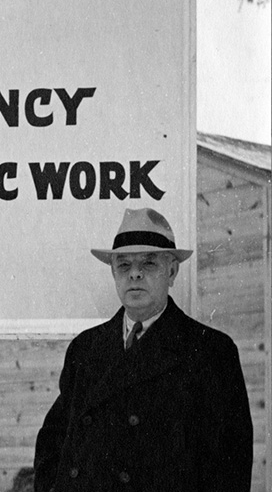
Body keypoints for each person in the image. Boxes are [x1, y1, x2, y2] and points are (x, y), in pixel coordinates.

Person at [34, 207, 253, 492]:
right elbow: (53, 438)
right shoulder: (85, 349)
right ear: (113, 273)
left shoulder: (210, 351)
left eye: (149, 263)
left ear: (171, 271)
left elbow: (232, 462)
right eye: (124, 265)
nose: (134, 274)